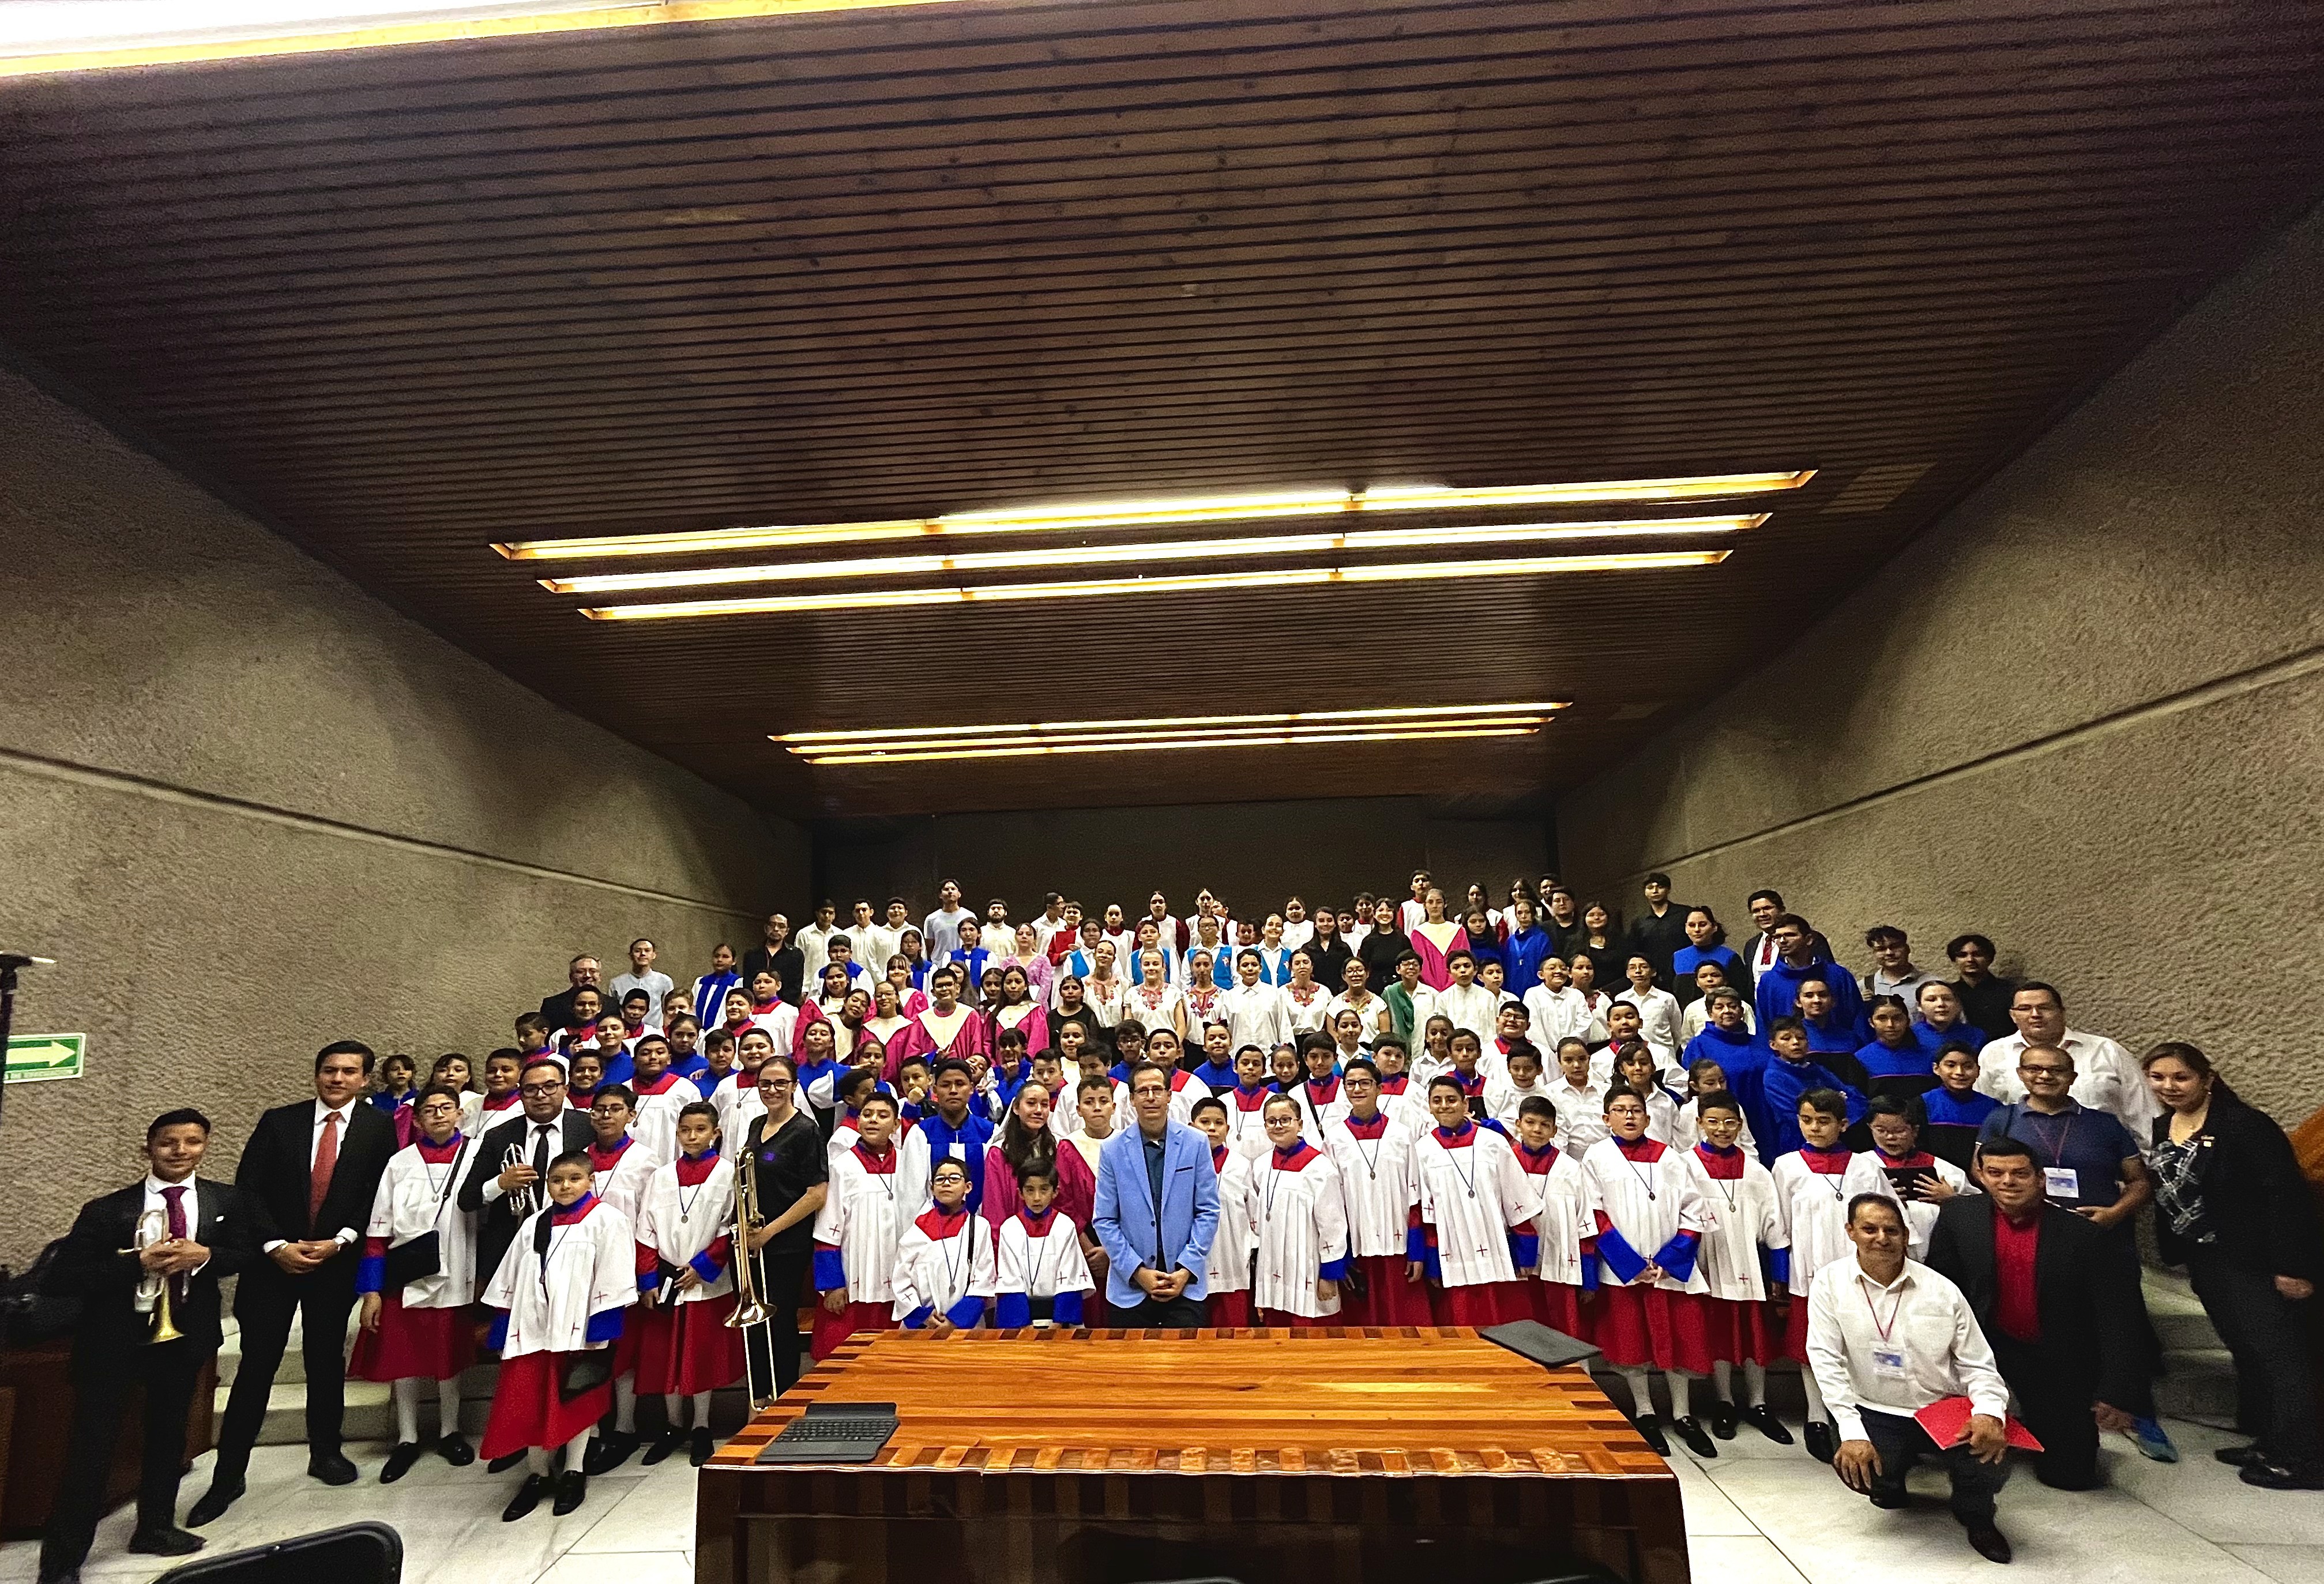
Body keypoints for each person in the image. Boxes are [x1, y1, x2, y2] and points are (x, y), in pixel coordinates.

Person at [40, 1109, 270, 1584]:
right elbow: (63, 1277)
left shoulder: (225, 1200)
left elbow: (247, 1254)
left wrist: (205, 1255)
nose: (180, 1150)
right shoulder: (107, 1209)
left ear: (205, 1146)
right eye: (168, 1142)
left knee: (169, 1438)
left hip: (182, 1338)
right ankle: (62, 1560)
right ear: (148, 1147)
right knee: (92, 1448)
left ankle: (155, 1528)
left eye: (192, 1141)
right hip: (114, 1343)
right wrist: (138, 1262)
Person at [192, 1041, 398, 1526]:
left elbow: (378, 1192)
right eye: (329, 1070)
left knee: (325, 1361)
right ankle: (228, 1476)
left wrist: (342, 1240)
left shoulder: (378, 1126)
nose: (337, 1078)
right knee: (257, 1366)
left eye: (348, 1071)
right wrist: (276, 1245)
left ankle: (326, 1452)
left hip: (335, 1263)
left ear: (364, 1079)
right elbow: (249, 1189)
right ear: (317, 1074)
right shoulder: (279, 1122)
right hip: (272, 1265)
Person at [1924, 1137, 2160, 1489]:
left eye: (2020, 1173)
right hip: (1983, 1350)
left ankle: (2040, 1426)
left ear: (2040, 1179)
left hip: (2053, 1357)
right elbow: (1940, 1290)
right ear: (1982, 1177)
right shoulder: (1959, 1216)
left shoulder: (2084, 1235)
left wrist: (2119, 1391)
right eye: (1996, 1173)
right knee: (1963, 1462)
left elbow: (2119, 1318)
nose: (2007, 1182)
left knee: (2071, 1476)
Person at [2144, 1041, 2324, 1489]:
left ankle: (2305, 1459)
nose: (2169, 1086)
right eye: (2158, 1077)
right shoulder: (2164, 1123)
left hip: (2256, 1260)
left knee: (2283, 1360)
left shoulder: (2244, 1124)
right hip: (2206, 1258)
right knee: (2246, 1351)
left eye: (2181, 1077)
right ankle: (2270, 1441)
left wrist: (2292, 1266)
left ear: (2207, 1078)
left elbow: (2286, 1196)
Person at [1806, 1195, 2014, 1564]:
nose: (1881, 1238)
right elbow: (1825, 1359)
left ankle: (1977, 1514)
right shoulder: (1830, 1283)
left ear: (1906, 1235)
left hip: (1943, 1408)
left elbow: (1979, 1364)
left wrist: (1988, 1413)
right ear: (1851, 1231)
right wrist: (1851, 1431)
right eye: (1869, 1229)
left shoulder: (1941, 1290)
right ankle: (1890, 1482)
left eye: (1892, 1230)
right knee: (1860, 1469)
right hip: (1875, 1407)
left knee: (1990, 1454)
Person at [478, 1150, 637, 1522]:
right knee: (531, 1402)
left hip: (577, 1331)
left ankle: (573, 1472)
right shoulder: (534, 1224)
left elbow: (614, 1272)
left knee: (575, 1401)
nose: (565, 1187)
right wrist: (502, 1325)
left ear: (590, 1181)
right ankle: (538, 1474)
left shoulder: (607, 1220)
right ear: (547, 1184)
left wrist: (601, 1329)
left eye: (574, 1179)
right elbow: (510, 1275)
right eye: (557, 1180)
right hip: (532, 1330)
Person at [352, 1085, 481, 1483]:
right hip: (406, 1273)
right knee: (403, 1357)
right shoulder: (399, 1162)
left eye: (446, 1107)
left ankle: (449, 1431)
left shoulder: (477, 1154)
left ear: (460, 1114)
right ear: (418, 1119)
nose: (439, 1114)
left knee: (447, 1357)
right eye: (430, 1110)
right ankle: (407, 1438)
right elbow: (378, 1229)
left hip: (459, 1268)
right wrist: (371, 1291)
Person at [1580, 1084, 1712, 1457]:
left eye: (1636, 1110)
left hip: (1669, 1270)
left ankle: (1683, 1414)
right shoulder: (1597, 1157)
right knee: (1631, 1344)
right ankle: (1645, 1412)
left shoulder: (1671, 1157)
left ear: (1648, 1117)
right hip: (1624, 1271)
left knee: (1679, 1340)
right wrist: (1631, 1265)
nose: (1629, 1116)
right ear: (1606, 1118)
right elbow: (1594, 1213)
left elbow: (1694, 1211)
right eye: (1620, 1110)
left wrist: (1670, 1260)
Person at [631, 1102, 746, 1467]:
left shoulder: (728, 1174)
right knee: (666, 1355)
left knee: (700, 1357)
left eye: (700, 1130)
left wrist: (702, 1267)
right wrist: (649, 1278)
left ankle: (701, 1426)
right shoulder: (662, 1176)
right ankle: (673, 1426)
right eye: (685, 1130)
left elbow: (731, 1227)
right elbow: (646, 1230)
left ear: (716, 1134)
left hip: (705, 1280)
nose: (692, 1136)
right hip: (667, 1280)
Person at [456, 1058, 595, 1346]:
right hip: (514, 1248)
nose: (541, 1095)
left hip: (576, 1244)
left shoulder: (588, 1128)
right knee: (515, 1337)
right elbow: (467, 1199)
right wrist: (500, 1184)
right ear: (520, 1094)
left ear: (566, 1089)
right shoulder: (499, 1136)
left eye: (550, 1087)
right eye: (531, 1089)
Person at [1683, 1093, 1793, 1445]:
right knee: (1719, 1333)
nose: (1722, 1129)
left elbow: (1775, 1226)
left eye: (1730, 1122)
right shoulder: (1686, 1166)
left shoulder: (1757, 1171)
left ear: (1741, 1125)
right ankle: (1724, 1402)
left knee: (1754, 1333)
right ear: (1699, 1123)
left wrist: (1780, 1276)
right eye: (1713, 1122)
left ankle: (1759, 1403)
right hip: (1709, 1260)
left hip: (1749, 1262)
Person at [1090, 1061, 1221, 1325]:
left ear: (1169, 1095)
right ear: (1132, 1099)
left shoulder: (1196, 1143)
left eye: (1157, 1090)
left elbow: (1208, 1211)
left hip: (1185, 1283)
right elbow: (1104, 1220)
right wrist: (1138, 1272)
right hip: (1130, 1287)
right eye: (1143, 1091)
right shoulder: (1112, 1150)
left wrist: (1186, 1268)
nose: (1150, 1097)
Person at [1772, 1088, 1857, 1462]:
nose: (1814, 1128)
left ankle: (1852, 1417)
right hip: (1807, 1270)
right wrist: (1780, 1274)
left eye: (1824, 1121)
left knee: (1854, 1344)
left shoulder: (1864, 1166)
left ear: (1843, 1124)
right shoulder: (1788, 1166)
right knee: (1811, 1347)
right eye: (1807, 1120)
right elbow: (1778, 1225)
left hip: (1854, 1271)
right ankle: (1816, 1417)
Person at [1412, 1074, 1537, 1328]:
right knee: (1462, 1320)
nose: (1444, 1106)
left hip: (1495, 1241)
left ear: (1465, 1104)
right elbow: (1427, 1210)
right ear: (1429, 1107)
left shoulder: (1493, 1142)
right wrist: (1434, 1258)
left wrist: (1526, 1250)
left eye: (1451, 1100)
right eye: (1437, 1101)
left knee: (1503, 1319)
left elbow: (1516, 1197)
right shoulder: (1423, 1150)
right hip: (1453, 1246)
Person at [1976, 981, 2155, 1137]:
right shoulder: (1993, 1053)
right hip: (2021, 1157)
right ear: (2013, 1016)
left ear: (2062, 1012)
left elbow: (2143, 1113)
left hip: (2101, 1151)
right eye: (2024, 1009)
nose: (2035, 1014)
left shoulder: (2107, 1051)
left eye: (2045, 1007)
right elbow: (1982, 1110)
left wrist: (2150, 1159)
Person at [810, 1090, 909, 1358]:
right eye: (867, 1114)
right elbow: (827, 1229)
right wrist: (833, 1284)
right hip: (855, 1273)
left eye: (882, 1115)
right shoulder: (842, 1165)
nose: (873, 1120)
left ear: (896, 1125)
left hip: (896, 1271)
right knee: (846, 1356)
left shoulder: (908, 1163)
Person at [1507, 1095, 1596, 1338]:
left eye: (1545, 1125)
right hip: (1516, 1264)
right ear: (1518, 1124)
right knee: (1520, 1331)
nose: (1537, 1130)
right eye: (1530, 1122)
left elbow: (1584, 1224)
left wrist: (1589, 1277)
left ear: (1555, 1130)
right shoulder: (1506, 1162)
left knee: (1561, 1332)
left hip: (1558, 1262)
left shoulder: (1570, 1168)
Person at [1841, 1095, 1969, 1260]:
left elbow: (1977, 1211)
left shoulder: (1945, 1170)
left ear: (1915, 1131)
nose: (1890, 1137)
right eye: (1881, 1130)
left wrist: (1952, 1200)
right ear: (1870, 1128)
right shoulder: (1858, 1167)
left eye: (1899, 1131)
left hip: (1936, 1252)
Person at [892, 1158, 997, 1332]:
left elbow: (984, 1277)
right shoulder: (917, 1230)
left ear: (968, 1187)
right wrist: (923, 1316)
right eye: (940, 1179)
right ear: (932, 1189)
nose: (946, 1183)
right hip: (926, 1326)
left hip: (965, 1326)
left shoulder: (978, 1227)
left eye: (954, 1178)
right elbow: (901, 1279)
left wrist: (956, 1320)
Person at [994, 1165, 1095, 1326]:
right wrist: (1021, 1325)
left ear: (1055, 1192)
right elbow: (1010, 1278)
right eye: (1030, 1190)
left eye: (1044, 1190)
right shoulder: (1010, 1228)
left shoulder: (1065, 1225)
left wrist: (1060, 1322)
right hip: (1024, 1322)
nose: (1037, 1198)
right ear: (1020, 1193)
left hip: (1059, 1321)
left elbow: (1070, 1275)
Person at [1944, 933, 2017, 1043]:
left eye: (1977, 954)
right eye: (1963, 955)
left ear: (1989, 959)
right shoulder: (1949, 993)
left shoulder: (2010, 991)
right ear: (1954, 960)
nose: (1970, 960)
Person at [1627, 872, 1691, 984]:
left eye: (1660, 887)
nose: (1655, 891)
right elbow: (1635, 950)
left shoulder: (1685, 914)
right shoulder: (1639, 922)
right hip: (1653, 976)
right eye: (1650, 888)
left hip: (1683, 971)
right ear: (1645, 892)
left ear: (1668, 889)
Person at [1857, 925, 1938, 1004]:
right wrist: (1857, 1004)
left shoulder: (1932, 984)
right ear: (1874, 954)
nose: (1889, 953)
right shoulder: (1864, 986)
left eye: (1895, 947)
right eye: (1881, 949)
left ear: (1907, 949)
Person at [741, 913, 806, 1009]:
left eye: (781, 926)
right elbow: (748, 984)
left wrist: (778, 1006)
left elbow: (795, 986)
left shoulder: (795, 955)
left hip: (784, 1007)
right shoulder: (752, 954)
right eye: (772, 925)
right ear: (766, 928)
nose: (776, 929)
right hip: (755, 1007)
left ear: (787, 931)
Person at [610, 938, 675, 1032]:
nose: (643, 954)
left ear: (654, 955)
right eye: (638, 951)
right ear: (630, 955)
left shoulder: (665, 981)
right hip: (625, 1032)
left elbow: (669, 1010)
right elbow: (612, 1013)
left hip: (655, 1032)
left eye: (647, 951)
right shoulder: (617, 983)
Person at [539, 955, 604, 1032]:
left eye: (593, 971)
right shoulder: (552, 1005)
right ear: (571, 977)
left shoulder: (612, 1005)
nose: (587, 975)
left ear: (600, 977)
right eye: (581, 972)